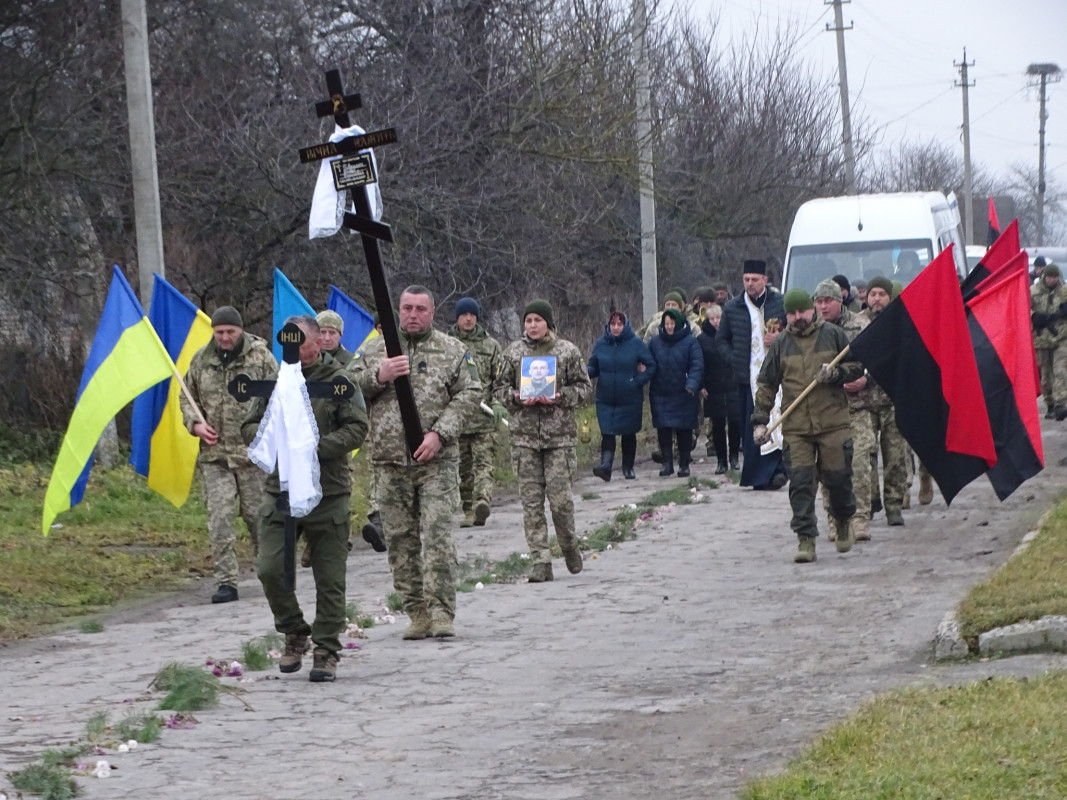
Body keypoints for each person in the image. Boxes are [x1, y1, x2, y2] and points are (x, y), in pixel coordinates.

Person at [242, 315, 369, 682]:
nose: (293, 350)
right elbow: (250, 425)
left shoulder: (339, 382)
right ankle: (294, 631)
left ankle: (326, 649)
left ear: (318, 343)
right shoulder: (277, 380)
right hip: (280, 492)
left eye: (299, 343)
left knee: (329, 578)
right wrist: (276, 444)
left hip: (327, 493)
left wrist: (314, 449)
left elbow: (358, 427)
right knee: (269, 568)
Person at [349, 286, 480, 639]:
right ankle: (417, 612)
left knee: (437, 536)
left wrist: (440, 433)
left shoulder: (452, 350)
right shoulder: (375, 349)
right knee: (400, 542)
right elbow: (346, 387)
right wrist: (379, 376)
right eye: (407, 308)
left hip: (436, 461)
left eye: (420, 309)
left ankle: (442, 613)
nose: (412, 315)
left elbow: (471, 393)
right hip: (390, 462)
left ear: (432, 312)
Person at [752, 289, 864, 563]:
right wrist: (759, 421)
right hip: (797, 426)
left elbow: (857, 367)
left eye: (802, 311)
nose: (798, 317)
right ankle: (806, 538)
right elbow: (767, 384)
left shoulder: (833, 335)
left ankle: (842, 522)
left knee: (838, 479)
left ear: (812, 310)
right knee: (801, 484)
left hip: (833, 423)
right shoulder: (781, 344)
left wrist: (836, 374)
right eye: (792, 313)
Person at [180, 305, 277, 604]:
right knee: (220, 518)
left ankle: (271, 574)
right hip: (215, 456)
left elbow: (279, 395)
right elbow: (187, 396)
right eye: (219, 332)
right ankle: (226, 582)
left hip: (252, 455)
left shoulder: (260, 357)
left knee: (258, 517)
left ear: (240, 331)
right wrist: (195, 425)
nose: (224, 337)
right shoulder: (201, 360)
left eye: (230, 332)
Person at [494, 299, 592, 583]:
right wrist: (516, 398)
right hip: (524, 439)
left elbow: (584, 387)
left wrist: (562, 397)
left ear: (548, 323)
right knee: (531, 504)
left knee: (560, 502)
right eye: (529, 321)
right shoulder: (513, 353)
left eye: (538, 320)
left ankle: (569, 545)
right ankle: (540, 561)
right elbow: (498, 388)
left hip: (559, 438)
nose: (533, 326)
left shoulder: (567, 351)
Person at [716, 259, 788, 490]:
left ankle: (779, 470)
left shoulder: (779, 303)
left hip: (778, 376)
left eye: (755, 280)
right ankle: (759, 476)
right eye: (746, 280)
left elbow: (796, 331)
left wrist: (780, 338)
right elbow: (722, 341)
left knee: (779, 422)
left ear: (765, 281)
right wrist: (735, 359)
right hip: (748, 378)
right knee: (753, 424)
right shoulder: (733, 307)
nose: (750, 284)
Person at [814, 279, 873, 542]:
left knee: (858, 463)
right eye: (819, 301)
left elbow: (878, 359)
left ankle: (860, 518)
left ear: (840, 301)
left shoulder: (860, 326)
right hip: (827, 409)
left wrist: (866, 380)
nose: (823, 307)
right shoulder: (812, 331)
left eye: (828, 301)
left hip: (857, 407)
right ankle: (835, 518)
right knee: (830, 469)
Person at [448, 296, 505, 526]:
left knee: (484, 464)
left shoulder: (490, 346)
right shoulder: (447, 344)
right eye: (464, 315)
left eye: (472, 315)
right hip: (456, 419)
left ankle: (483, 501)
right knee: (463, 469)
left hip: (484, 418)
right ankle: (469, 511)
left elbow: (501, 378)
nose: (468, 319)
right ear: (458, 318)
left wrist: (499, 402)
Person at [861, 277, 909, 526]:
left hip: (892, 399)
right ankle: (869, 500)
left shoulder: (899, 324)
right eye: (873, 294)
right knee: (865, 454)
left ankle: (894, 504)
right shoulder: (856, 325)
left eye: (881, 294)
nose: (876, 299)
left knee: (895, 457)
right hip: (863, 402)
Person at [587, 311, 656, 481]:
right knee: (607, 432)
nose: (616, 328)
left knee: (628, 432)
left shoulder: (636, 344)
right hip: (605, 397)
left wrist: (638, 381)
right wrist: (583, 373)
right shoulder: (601, 344)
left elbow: (651, 365)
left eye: (619, 324)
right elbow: (593, 367)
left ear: (625, 325)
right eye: (613, 324)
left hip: (629, 396)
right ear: (608, 326)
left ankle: (628, 468)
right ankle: (606, 466)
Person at [648, 308, 704, 478]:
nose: (670, 327)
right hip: (660, 392)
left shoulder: (690, 342)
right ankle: (667, 463)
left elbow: (697, 365)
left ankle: (684, 464)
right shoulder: (655, 342)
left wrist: (692, 383)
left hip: (684, 392)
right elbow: (648, 362)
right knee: (663, 429)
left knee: (684, 430)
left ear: (678, 323)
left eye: (672, 323)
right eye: (666, 324)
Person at [697, 303, 740, 474]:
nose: (715, 322)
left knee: (735, 422)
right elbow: (698, 364)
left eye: (718, 318)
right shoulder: (701, 339)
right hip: (712, 386)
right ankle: (721, 461)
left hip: (733, 383)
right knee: (717, 425)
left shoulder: (733, 336)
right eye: (712, 318)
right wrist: (701, 385)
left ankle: (735, 457)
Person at [1030, 262, 1067, 420]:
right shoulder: (1034, 291)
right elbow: (1024, 307)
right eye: (1050, 277)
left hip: (1061, 336)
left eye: (1055, 277)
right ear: (1045, 276)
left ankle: (1060, 404)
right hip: (1042, 338)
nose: (1053, 280)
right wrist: (1034, 316)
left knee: (1061, 370)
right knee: (1046, 375)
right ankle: (1050, 403)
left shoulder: (1063, 291)